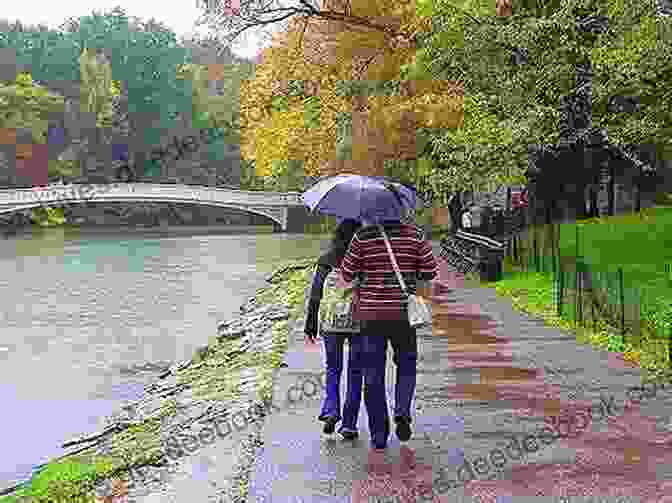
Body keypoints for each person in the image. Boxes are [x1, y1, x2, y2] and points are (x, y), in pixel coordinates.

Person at [340, 192, 438, 450]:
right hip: (403, 314)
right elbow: (430, 270)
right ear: (401, 209)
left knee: (372, 374)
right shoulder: (415, 236)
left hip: (370, 316)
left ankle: (378, 434)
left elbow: (347, 273)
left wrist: (365, 269)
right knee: (406, 364)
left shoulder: (363, 237)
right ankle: (403, 411)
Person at [304, 218, 364, 439]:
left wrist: (310, 322)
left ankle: (330, 410)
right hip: (358, 321)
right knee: (355, 372)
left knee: (333, 369)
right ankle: (349, 424)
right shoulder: (362, 260)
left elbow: (316, 293)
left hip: (331, 321)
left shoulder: (326, 260)